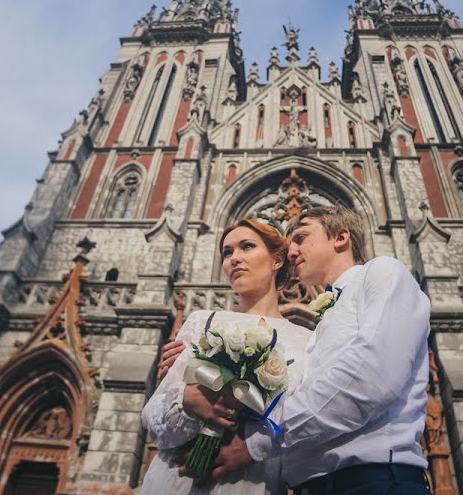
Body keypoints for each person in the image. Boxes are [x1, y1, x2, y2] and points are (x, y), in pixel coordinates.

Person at [161, 205, 431, 494]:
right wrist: (196, 373)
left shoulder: (382, 272)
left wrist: (255, 444)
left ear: (341, 238)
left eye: (301, 238)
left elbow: (368, 380)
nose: (291, 252)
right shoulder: (321, 324)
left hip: (372, 480)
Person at [140, 219, 313, 495]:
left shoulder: (306, 341)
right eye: (227, 252)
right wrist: (188, 401)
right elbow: (153, 421)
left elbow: (305, 426)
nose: (235, 259)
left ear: (277, 260)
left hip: (251, 483)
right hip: (176, 481)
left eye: (246, 246)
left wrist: (253, 447)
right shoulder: (202, 321)